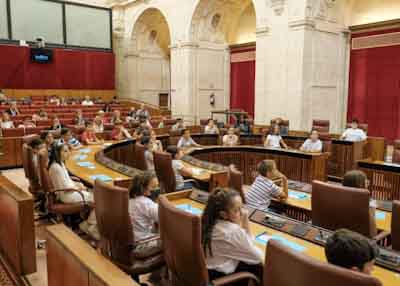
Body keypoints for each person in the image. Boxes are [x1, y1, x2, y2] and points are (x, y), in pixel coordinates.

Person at [202, 188, 263, 280]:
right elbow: (257, 257)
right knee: (260, 267)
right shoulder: (232, 232)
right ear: (223, 215)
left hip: (209, 272)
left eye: (242, 207)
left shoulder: (207, 221)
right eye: (237, 210)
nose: (242, 212)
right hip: (223, 278)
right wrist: (245, 221)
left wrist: (240, 222)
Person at [48, 143, 97, 239]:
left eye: (68, 150)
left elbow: (67, 181)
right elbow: (65, 188)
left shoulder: (60, 163)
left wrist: (77, 184)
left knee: (93, 193)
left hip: (71, 191)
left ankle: (88, 223)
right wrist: (79, 187)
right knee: (98, 200)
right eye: (65, 151)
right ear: (58, 153)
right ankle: (88, 224)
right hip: (68, 195)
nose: (69, 153)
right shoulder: (56, 168)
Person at [128, 171, 161, 254]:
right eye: (154, 187)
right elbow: (167, 220)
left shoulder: (130, 199)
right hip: (142, 244)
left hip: (132, 240)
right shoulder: (147, 204)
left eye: (158, 186)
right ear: (143, 188)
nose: (157, 189)